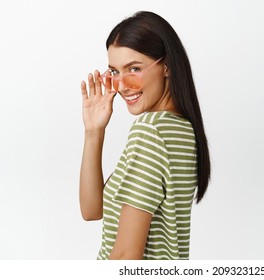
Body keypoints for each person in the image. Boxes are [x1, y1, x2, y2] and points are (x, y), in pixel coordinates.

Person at [79, 11, 210, 260]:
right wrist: (94, 131)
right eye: (114, 72)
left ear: (166, 66)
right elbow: (92, 210)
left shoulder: (151, 131)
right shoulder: (181, 129)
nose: (122, 85)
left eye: (134, 68)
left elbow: (126, 256)